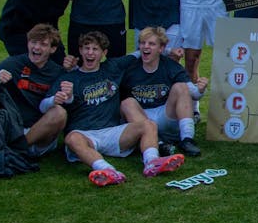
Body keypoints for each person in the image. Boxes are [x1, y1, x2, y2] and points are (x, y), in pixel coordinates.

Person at [47, 31, 184, 187]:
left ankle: (152, 163)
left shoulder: (113, 67)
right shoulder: (69, 78)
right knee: (71, 138)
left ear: (104, 53)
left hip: (113, 132)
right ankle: (107, 171)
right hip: (84, 134)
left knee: (149, 124)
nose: (90, 53)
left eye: (95, 49)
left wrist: (167, 51)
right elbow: (43, 104)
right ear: (80, 51)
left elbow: (141, 52)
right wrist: (56, 99)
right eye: (86, 48)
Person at [120, 27, 203, 157]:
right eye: (143, 43)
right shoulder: (129, 67)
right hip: (142, 117)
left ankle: (187, 139)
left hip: (165, 114)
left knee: (181, 87)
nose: (146, 47)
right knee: (127, 103)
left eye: (151, 44)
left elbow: (194, 93)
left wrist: (201, 89)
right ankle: (158, 144)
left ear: (161, 48)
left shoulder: (171, 66)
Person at [0, 24, 70, 158]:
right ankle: (14, 150)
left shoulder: (57, 72)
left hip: (40, 135)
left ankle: (16, 150)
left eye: (43, 44)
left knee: (59, 113)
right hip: (12, 128)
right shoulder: (12, 64)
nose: (36, 47)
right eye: (33, 42)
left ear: (53, 49)